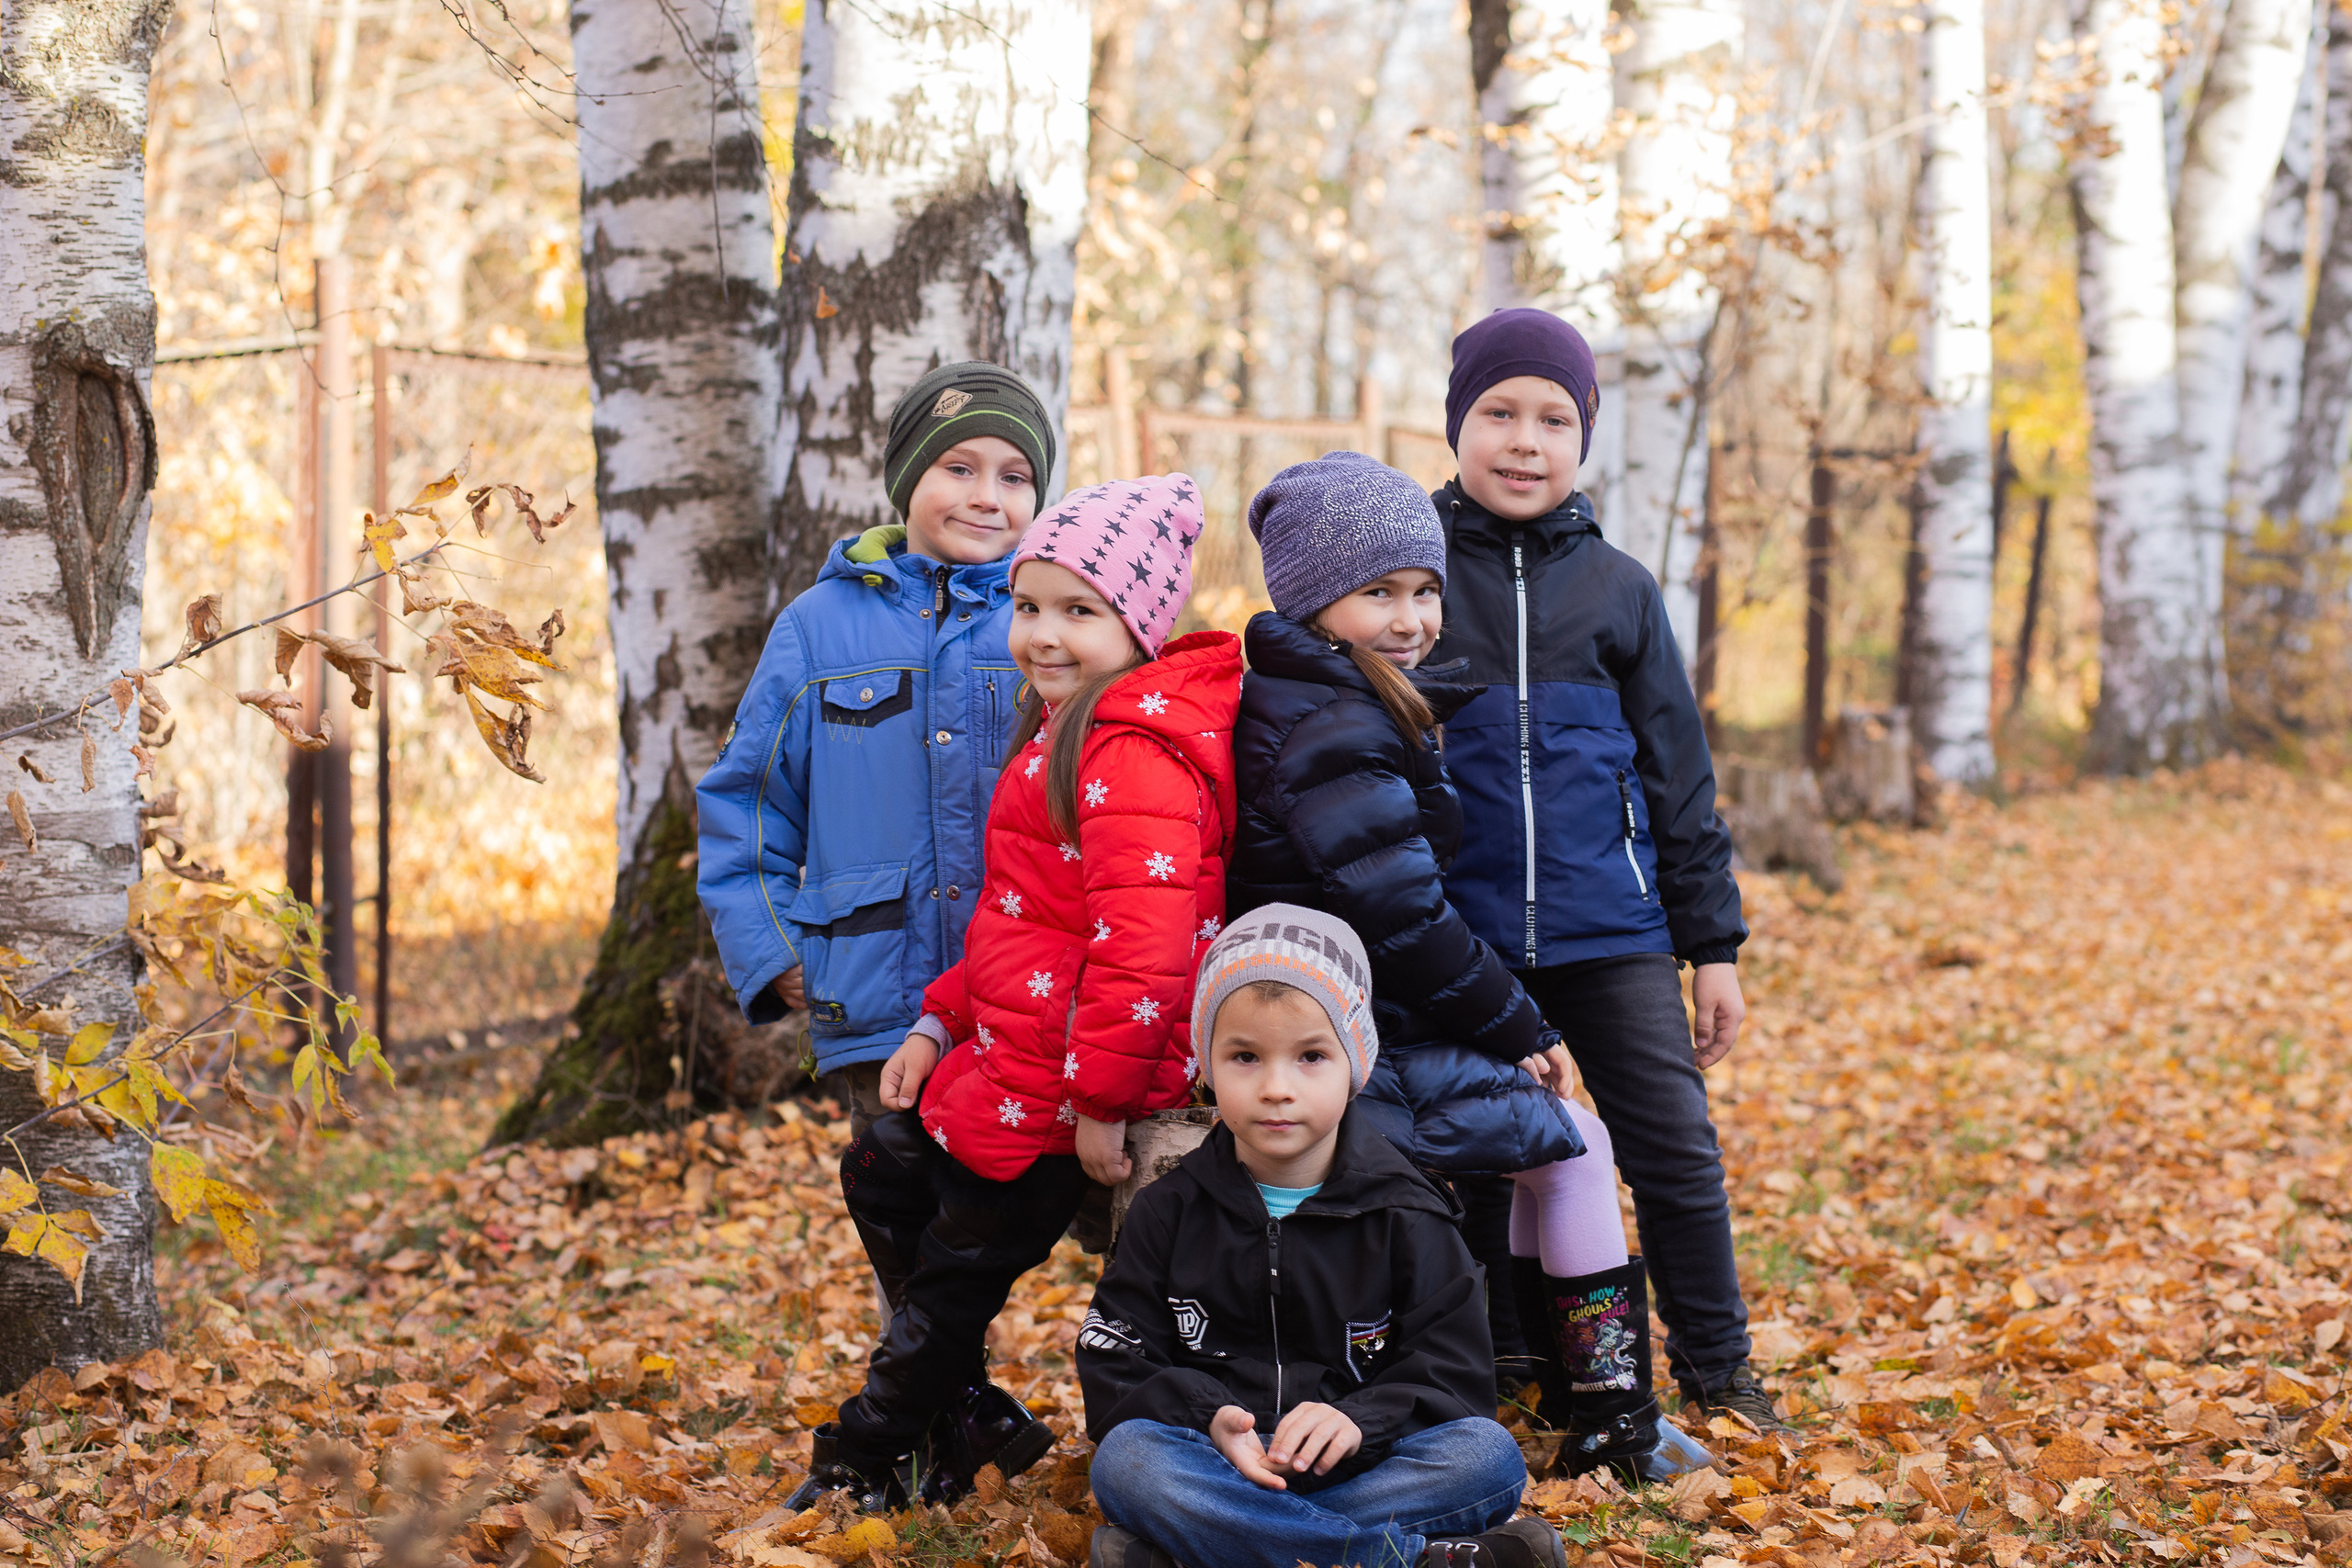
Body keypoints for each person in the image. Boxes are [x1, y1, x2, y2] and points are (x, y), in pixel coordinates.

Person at [1227, 451, 1706, 1482]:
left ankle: (1557, 1378)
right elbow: (1400, 913)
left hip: (1356, 1026)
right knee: (1573, 1146)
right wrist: (1520, 1028)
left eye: (1425, 591)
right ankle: (1612, 1419)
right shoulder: (1333, 723)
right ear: (1313, 603)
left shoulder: (1335, 698)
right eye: (1378, 593)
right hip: (1339, 1047)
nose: (1410, 618)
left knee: (1564, 1142)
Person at [790, 474, 1242, 1511]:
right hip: (1018, 1059)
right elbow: (1020, 915)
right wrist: (939, 1018)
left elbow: (1144, 955)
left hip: (1079, 1086)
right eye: (1028, 604)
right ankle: (970, 1415)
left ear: (1142, 621)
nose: (1041, 634)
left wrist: (1100, 1102)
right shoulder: (1062, 727)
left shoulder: (1130, 754)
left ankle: (868, 1449)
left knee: (956, 1269)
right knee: (881, 1163)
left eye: (1079, 611)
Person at [1427, 307, 1781, 1431]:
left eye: (1551, 418)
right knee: (1475, 1162)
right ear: (1456, 425)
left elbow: (1680, 781)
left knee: (1674, 1154)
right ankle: (1497, 1367)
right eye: (1498, 413)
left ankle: (1719, 1371)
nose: (1523, 441)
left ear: (1582, 439)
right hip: (1459, 938)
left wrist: (1710, 948)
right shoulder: (1409, 578)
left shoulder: (1621, 591)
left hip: (1610, 929)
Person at [1081, 906, 1569, 1568]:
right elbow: (1115, 1358)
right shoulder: (1168, 1209)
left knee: (1487, 1457)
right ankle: (1410, 1560)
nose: (1277, 1087)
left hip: (1366, 1466)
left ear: (1355, 1065)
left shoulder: (1409, 1211)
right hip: (1224, 1466)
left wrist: (1361, 1418)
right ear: (1207, 1066)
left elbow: (1454, 1375)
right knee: (1129, 1462)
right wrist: (1209, 1416)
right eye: (1245, 1056)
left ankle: (1200, 1552)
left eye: (1311, 1055)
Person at [698, 362, 1054, 1137]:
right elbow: (747, 800)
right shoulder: (818, 625)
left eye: (1015, 476)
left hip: (1026, 993)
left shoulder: (1050, 624)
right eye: (959, 467)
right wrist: (773, 948)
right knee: (898, 1194)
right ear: (906, 475)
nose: (987, 495)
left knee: (1028, 1205)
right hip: (874, 993)